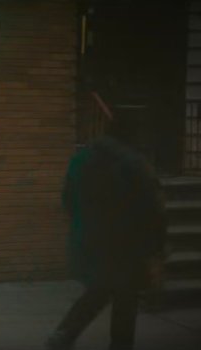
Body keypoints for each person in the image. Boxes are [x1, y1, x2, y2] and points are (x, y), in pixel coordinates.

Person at [45, 119, 167, 350]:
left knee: (98, 291)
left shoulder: (81, 158)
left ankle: (64, 334)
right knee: (125, 299)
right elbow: (152, 209)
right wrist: (156, 249)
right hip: (125, 243)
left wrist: (82, 225)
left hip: (89, 239)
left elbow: (68, 199)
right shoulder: (134, 163)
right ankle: (117, 344)